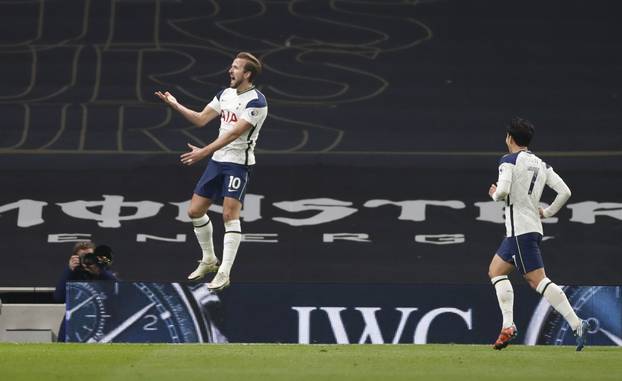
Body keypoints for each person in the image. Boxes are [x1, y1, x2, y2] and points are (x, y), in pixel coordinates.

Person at [154, 52, 268, 291]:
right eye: (232, 66)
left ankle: (224, 272)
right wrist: (175, 104)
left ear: (247, 74)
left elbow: (235, 133)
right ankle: (209, 259)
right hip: (217, 160)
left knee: (229, 215)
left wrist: (203, 152)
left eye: (236, 68)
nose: (231, 70)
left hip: (238, 163)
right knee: (195, 211)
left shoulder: (257, 102)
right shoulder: (224, 94)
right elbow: (200, 119)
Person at [487, 117, 589, 351]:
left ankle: (576, 323)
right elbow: (565, 191)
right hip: (526, 229)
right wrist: (547, 212)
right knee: (496, 271)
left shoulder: (508, 161)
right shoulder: (541, 164)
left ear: (509, 139)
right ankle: (508, 326)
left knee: (537, 280)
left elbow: (502, 190)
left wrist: (495, 194)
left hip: (520, 232)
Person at [53, 241, 117, 342]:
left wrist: (100, 271)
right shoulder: (72, 274)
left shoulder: (103, 273)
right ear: (76, 258)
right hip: (74, 323)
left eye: (90, 256)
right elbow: (58, 297)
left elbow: (119, 290)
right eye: (83, 256)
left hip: (101, 323)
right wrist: (69, 270)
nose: (87, 259)